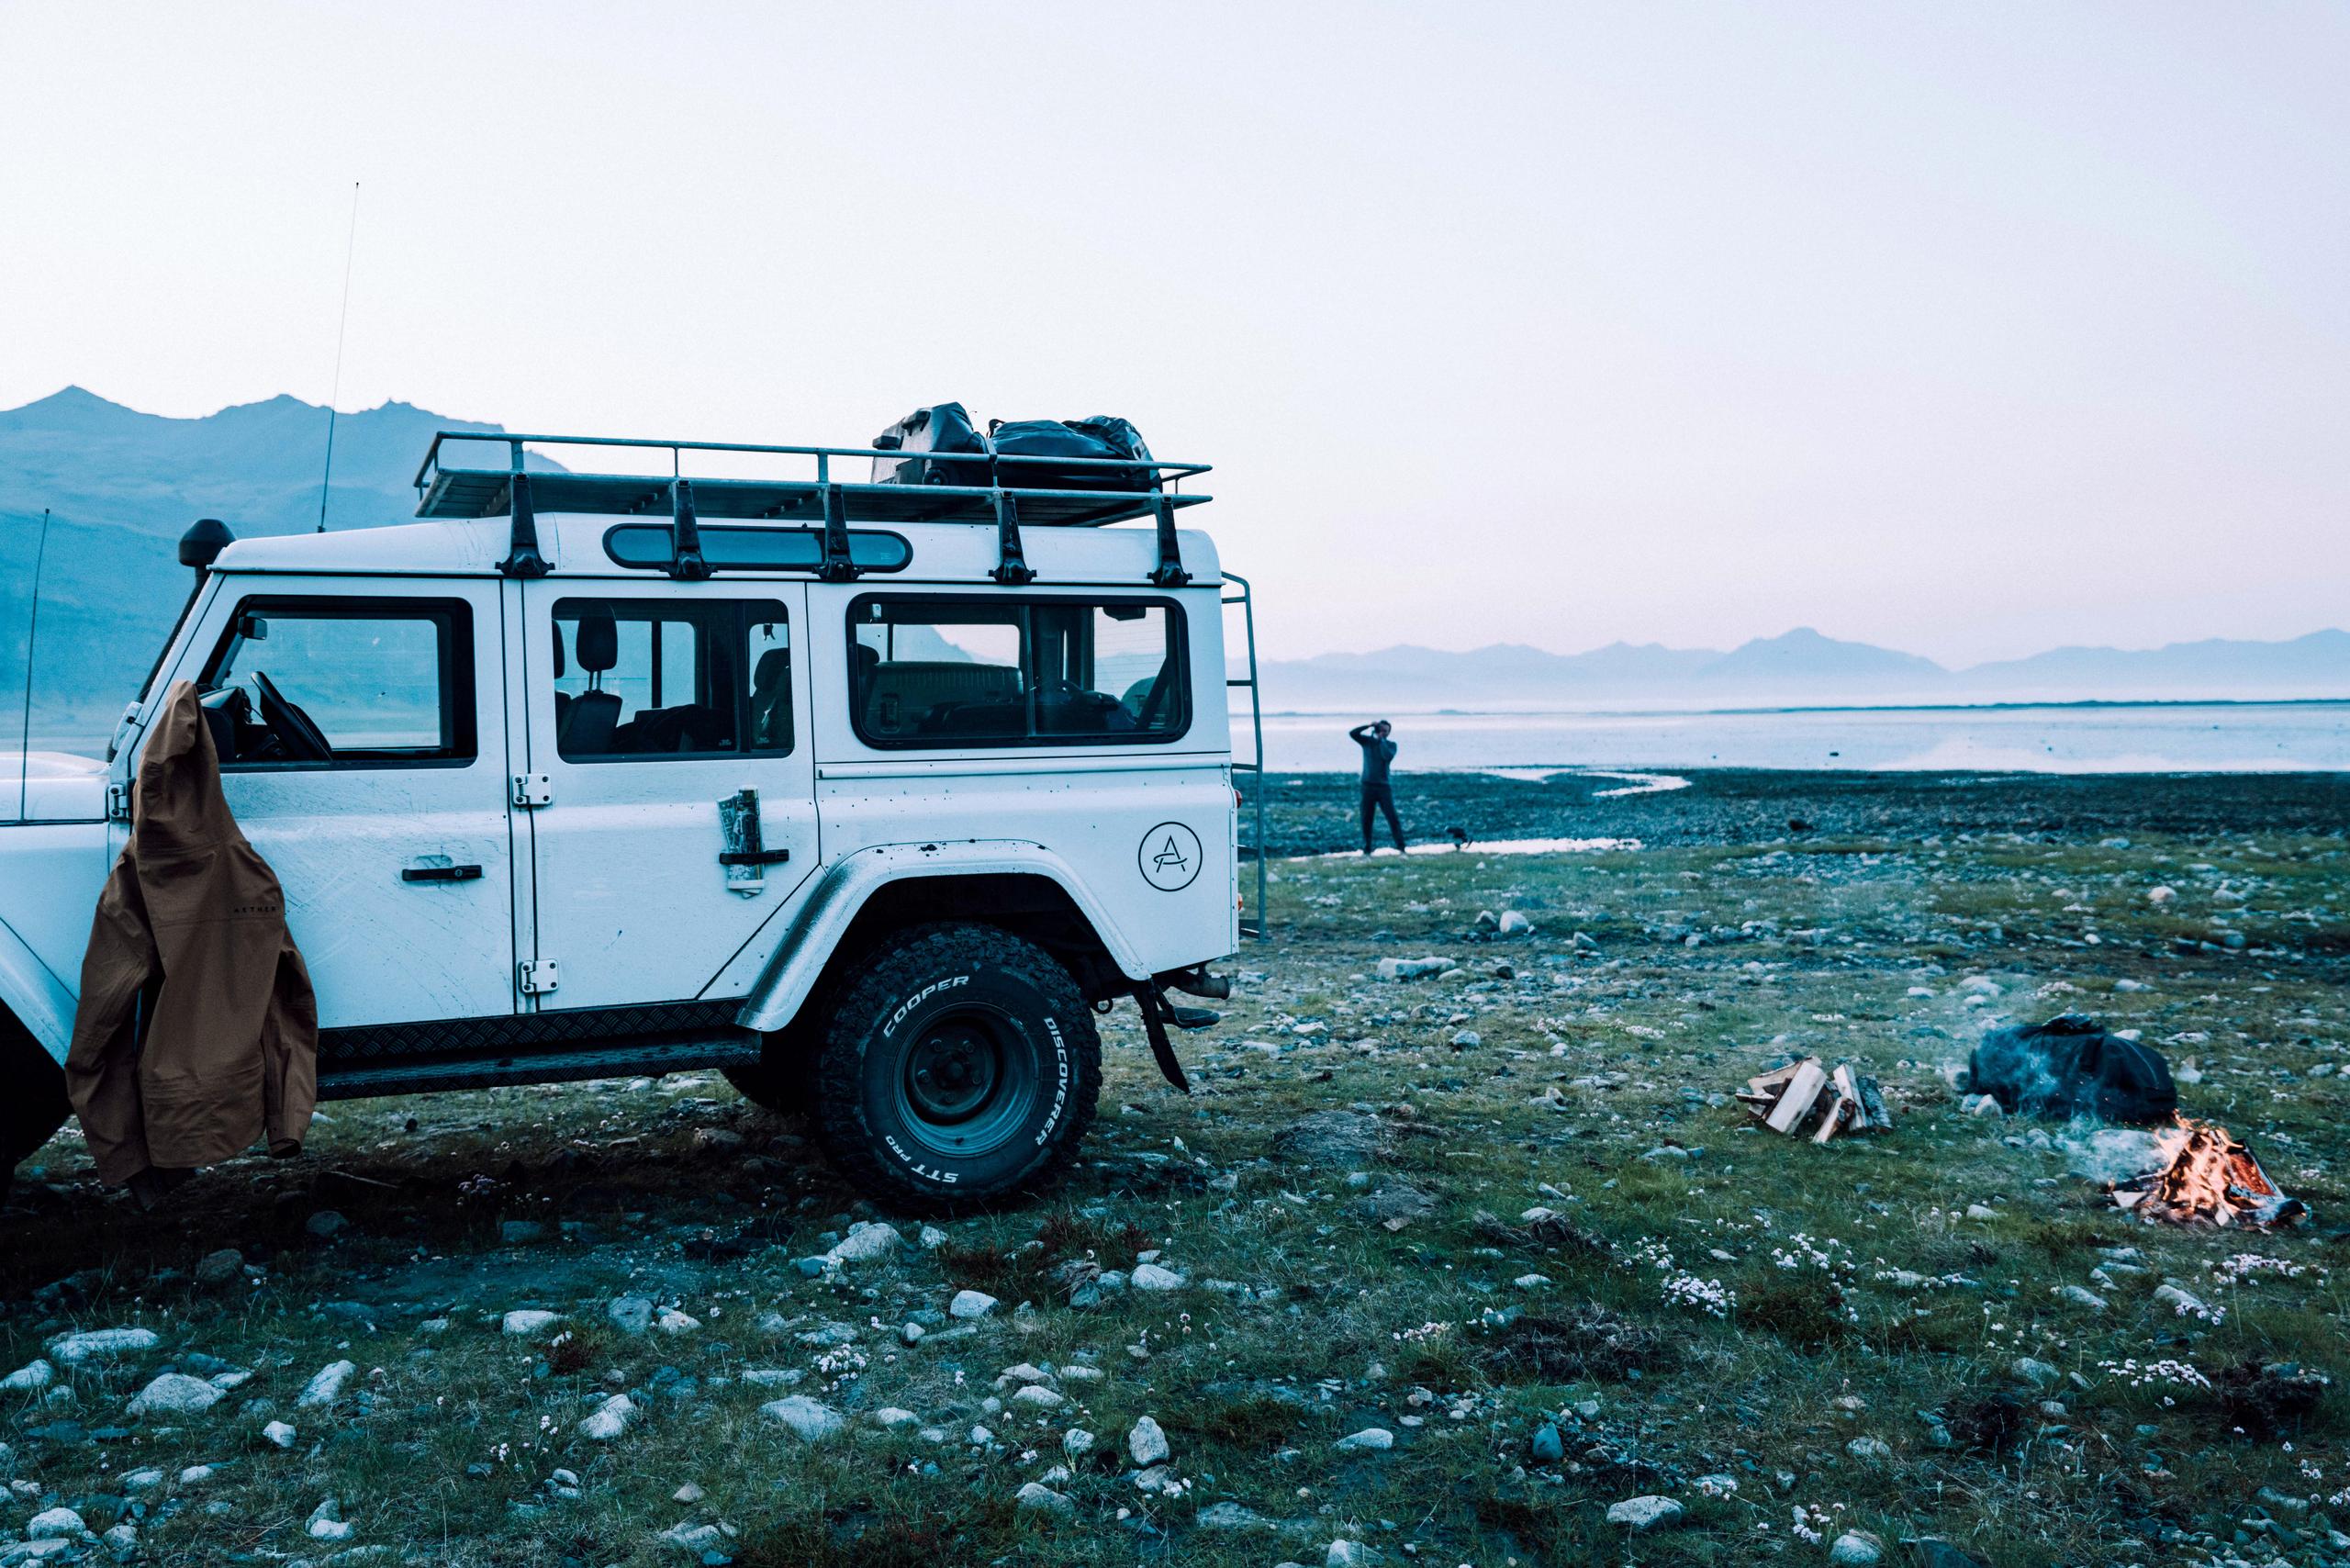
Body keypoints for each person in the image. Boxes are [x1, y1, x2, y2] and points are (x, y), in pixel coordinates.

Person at [1348, 719, 1405, 855]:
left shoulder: (1391, 745)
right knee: (1366, 818)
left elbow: (1387, 756)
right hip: (1367, 786)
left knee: (1392, 817)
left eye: (1386, 731)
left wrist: (1381, 740)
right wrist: (1367, 726)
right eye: (1381, 730)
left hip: (1383, 787)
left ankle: (1401, 846)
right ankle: (1367, 847)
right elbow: (1353, 733)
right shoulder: (1367, 742)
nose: (1383, 733)